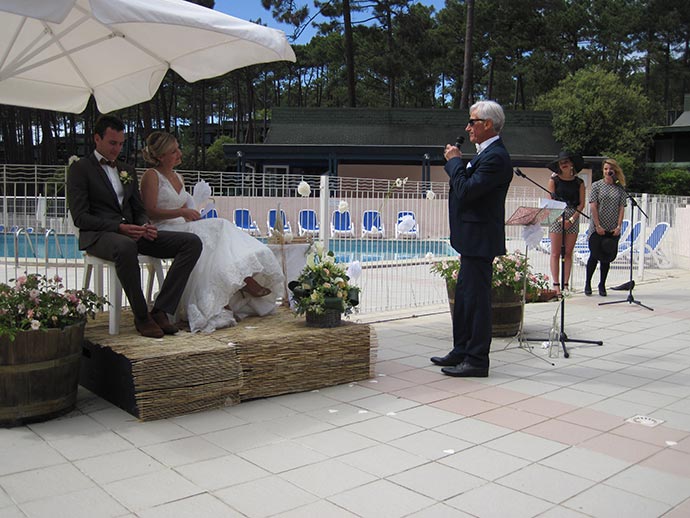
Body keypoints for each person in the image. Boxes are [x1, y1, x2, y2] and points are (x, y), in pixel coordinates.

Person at [67, 115, 202, 339]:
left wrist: (143, 225)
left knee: (191, 243)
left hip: (131, 232)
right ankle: (141, 316)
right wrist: (119, 227)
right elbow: (81, 217)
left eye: (121, 144)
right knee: (126, 246)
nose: (117, 149)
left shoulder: (126, 169)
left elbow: (139, 208)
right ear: (96, 138)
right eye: (112, 143)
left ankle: (160, 310)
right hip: (100, 235)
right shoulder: (80, 169)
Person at [139, 131, 284, 333]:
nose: (179, 153)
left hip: (182, 226)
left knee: (216, 230)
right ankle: (241, 282)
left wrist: (193, 209)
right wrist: (181, 211)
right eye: (173, 151)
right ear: (161, 156)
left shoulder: (177, 176)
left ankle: (227, 293)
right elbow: (150, 210)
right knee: (216, 228)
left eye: (178, 148)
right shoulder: (151, 176)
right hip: (164, 229)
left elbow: (188, 206)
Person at [430, 100, 513, 378]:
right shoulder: (483, 155)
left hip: (480, 240)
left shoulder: (496, 157)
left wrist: (454, 162)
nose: (468, 128)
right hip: (471, 239)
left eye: (472, 122)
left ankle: (477, 359)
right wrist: (460, 166)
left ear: (488, 124)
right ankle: (462, 349)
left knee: (476, 301)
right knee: (465, 299)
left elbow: (466, 191)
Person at [584, 158, 627, 296]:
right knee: (594, 254)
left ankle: (602, 284)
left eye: (611, 169)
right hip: (598, 226)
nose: (608, 171)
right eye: (606, 169)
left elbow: (621, 208)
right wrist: (597, 225)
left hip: (612, 226)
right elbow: (593, 206)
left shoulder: (620, 188)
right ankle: (588, 283)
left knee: (607, 255)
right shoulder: (597, 186)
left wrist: (619, 225)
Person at [546, 150, 586, 295]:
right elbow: (550, 201)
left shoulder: (579, 182)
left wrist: (572, 219)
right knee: (555, 252)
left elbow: (581, 204)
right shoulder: (554, 180)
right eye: (561, 163)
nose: (564, 164)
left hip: (573, 216)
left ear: (571, 164)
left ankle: (566, 284)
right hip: (556, 215)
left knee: (568, 252)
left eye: (566, 162)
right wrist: (559, 218)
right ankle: (556, 284)